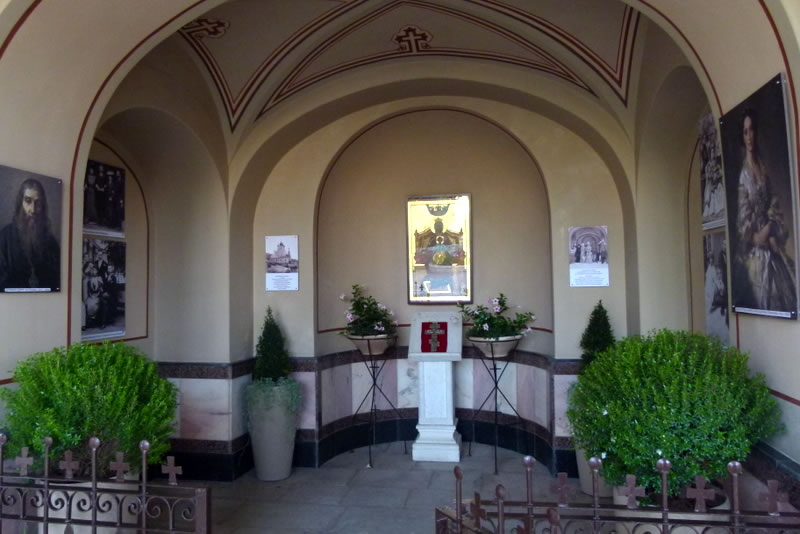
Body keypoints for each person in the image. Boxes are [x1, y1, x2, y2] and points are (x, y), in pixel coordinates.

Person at [735, 108, 797, 311]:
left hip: (770, 240)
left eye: (751, 130)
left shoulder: (763, 168)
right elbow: (743, 219)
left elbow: (774, 201)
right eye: (745, 132)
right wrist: (756, 236)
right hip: (755, 249)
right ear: (742, 136)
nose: (749, 136)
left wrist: (770, 228)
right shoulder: (743, 176)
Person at [0, 178, 60, 291]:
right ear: (20, 203)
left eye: (38, 203)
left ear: (43, 206)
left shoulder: (51, 243)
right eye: (28, 201)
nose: (33, 209)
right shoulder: (4, 238)